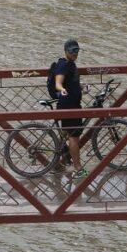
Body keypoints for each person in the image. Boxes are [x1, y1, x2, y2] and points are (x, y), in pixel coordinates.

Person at [47, 39, 85, 177]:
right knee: (74, 138)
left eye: (77, 50)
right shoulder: (63, 65)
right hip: (68, 106)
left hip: (72, 104)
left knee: (65, 136)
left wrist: (81, 87)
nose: (75, 53)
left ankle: (58, 165)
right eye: (72, 51)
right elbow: (59, 83)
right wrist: (61, 89)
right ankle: (78, 169)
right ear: (66, 51)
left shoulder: (71, 64)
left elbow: (71, 82)